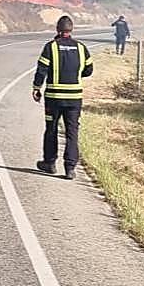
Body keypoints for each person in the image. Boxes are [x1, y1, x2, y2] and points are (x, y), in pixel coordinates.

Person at [32, 15, 94, 180]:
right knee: (72, 132)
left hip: (54, 98)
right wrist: (74, 74)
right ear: (71, 29)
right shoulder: (81, 48)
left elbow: (41, 70)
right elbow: (89, 70)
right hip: (74, 99)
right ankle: (70, 168)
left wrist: (36, 87)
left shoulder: (51, 47)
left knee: (51, 129)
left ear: (57, 29)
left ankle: (50, 163)